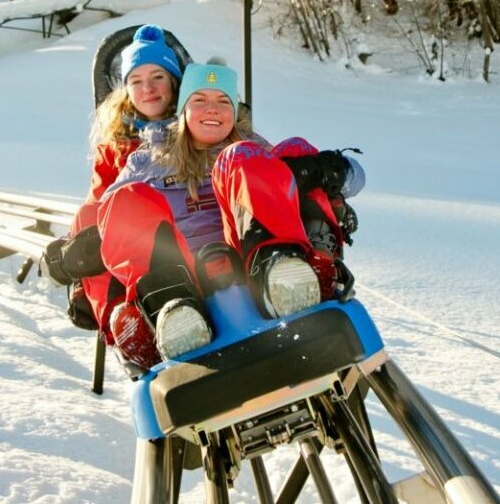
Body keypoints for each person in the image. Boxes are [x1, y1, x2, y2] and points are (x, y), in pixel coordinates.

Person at [93, 60, 364, 370]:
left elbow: (356, 178)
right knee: (124, 199)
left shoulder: (250, 148)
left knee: (266, 154)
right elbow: (109, 214)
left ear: (235, 112)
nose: (212, 109)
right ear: (182, 110)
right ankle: (171, 311)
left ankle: (287, 272)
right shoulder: (149, 159)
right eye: (199, 100)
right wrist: (86, 242)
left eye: (223, 101)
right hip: (184, 274)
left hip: (250, 263)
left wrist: (330, 171)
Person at [49, 24, 185, 340]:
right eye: (136, 81)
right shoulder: (116, 149)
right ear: (126, 91)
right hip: (141, 252)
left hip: (192, 232)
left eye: (158, 77)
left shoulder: (198, 127)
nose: (147, 88)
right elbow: (97, 203)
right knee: (88, 221)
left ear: (174, 82)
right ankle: (124, 325)